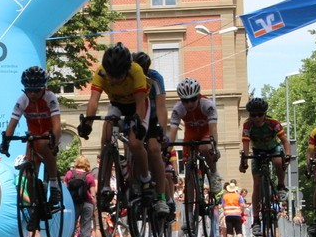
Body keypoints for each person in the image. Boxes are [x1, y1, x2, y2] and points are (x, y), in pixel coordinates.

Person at [77, 43, 157, 212]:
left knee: (135, 143)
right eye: (111, 75)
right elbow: (93, 101)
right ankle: (105, 186)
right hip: (117, 105)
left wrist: (140, 126)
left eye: (118, 76)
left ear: (126, 70)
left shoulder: (136, 71)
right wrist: (88, 124)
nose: (113, 80)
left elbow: (141, 103)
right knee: (106, 139)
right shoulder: (101, 72)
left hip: (138, 104)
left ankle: (145, 179)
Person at [0, 66, 62, 209]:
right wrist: (6, 142)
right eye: (29, 90)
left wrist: (55, 141)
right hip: (33, 137)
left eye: (36, 90)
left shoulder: (50, 97)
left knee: (44, 145)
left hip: (48, 134)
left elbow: (57, 125)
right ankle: (34, 206)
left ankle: (54, 186)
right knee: (28, 175)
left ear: (43, 88)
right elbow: (12, 123)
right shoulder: (22, 100)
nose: (32, 94)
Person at [238, 97, 291, 237]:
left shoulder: (273, 123)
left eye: (260, 114)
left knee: (278, 161)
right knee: (256, 184)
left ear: (265, 113)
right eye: (253, 115)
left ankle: (280, 185)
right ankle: (256, 221)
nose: (256, 118)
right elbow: (245, 145)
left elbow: (285, 142)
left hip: (273, 148)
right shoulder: (247, 125)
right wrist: (243, 161)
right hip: (257, 151)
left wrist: (288, 155)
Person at [132, 51, 172, 218]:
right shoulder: (129, 77)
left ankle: (162, 197)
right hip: (135, 115)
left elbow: (162, 107)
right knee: (132, 145)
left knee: (154, 149)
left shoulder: (155, 79)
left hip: (153, 116)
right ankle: (133, 185)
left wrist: (162, 130)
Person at [167, 77, 222, 195]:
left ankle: (214, 173)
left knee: (205, 147)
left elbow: (213, 130)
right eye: (185, 101)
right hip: (191, 134)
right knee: (189, 169)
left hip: (205, 131)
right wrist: (167, 149)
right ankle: (190, 210)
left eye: (192, 99)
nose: (189, 103)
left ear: (198, 96)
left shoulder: (207, 105)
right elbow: (172, 132)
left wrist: (214, 147)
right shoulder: (178, 109)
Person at [64, 155, 97, 237]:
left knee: (71, 224)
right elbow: (93, 194)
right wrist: (94, 205)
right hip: (87, 203)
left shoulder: (69, 174)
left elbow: (65, 190)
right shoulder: (89, 176)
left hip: (73, 203)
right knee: (85, 225)